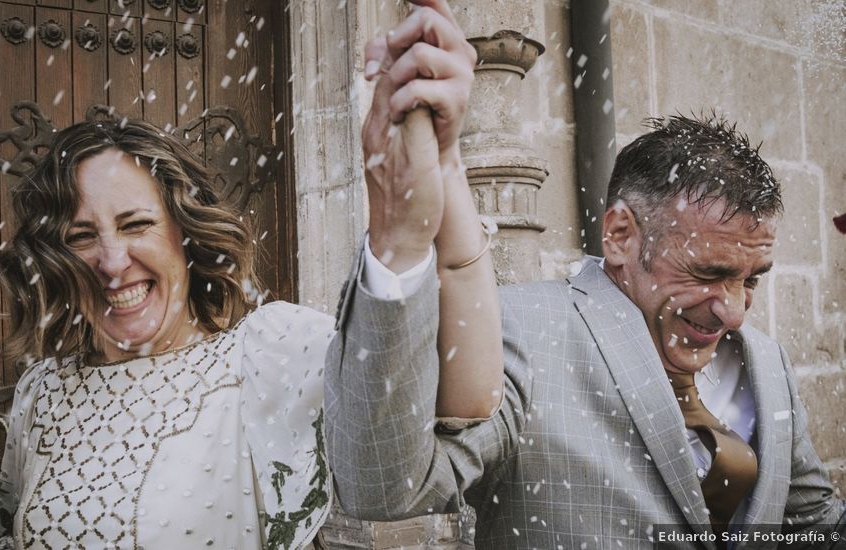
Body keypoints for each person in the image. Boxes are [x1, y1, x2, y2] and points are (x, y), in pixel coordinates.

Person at [0, 1, 501, 548]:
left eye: (136, 225)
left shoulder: (270, 354)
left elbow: (466, 399)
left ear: (186, 237)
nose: (112, 262)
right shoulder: (42, 391)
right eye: (81, 237)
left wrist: (443, 163)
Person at [325, 58, 846, 550]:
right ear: (620, 234)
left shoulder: (768, 363)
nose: (733, 311)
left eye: (751, 279)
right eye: (708, 273)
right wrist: (401, 240)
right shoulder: (522, 332)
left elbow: (816, 526)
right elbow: (386, 489)